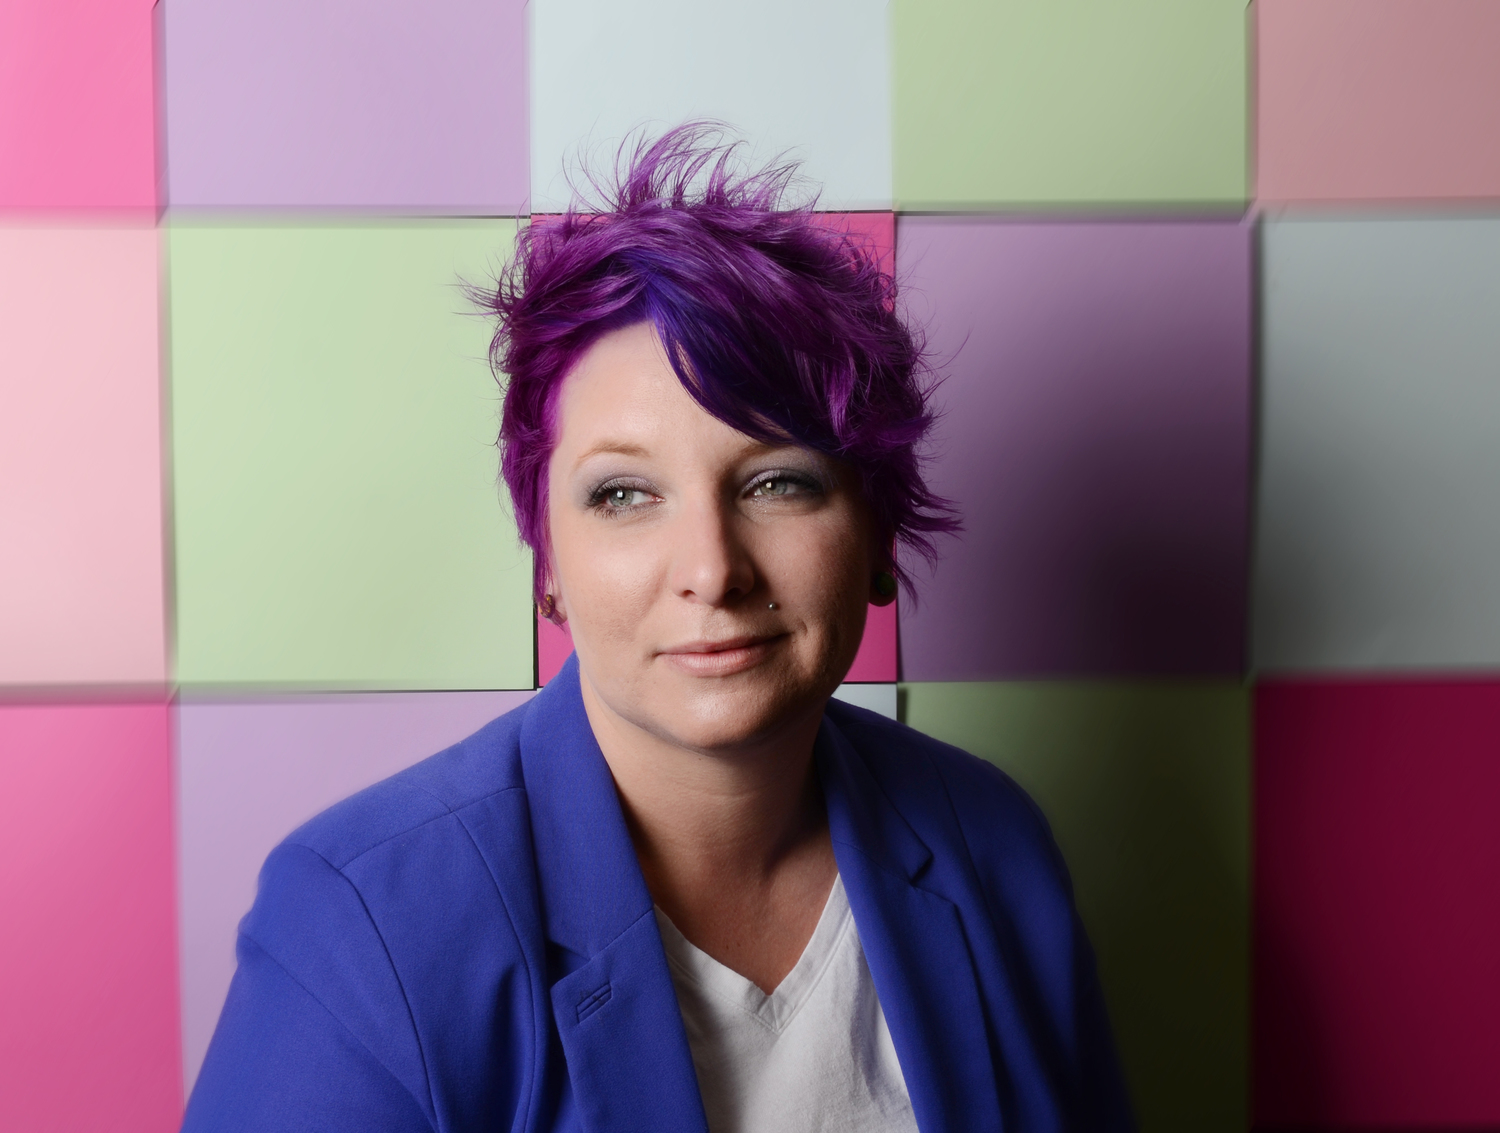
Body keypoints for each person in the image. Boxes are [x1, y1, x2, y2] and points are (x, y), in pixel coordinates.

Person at [182, 126, 1134, 1133]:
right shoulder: (359, 924)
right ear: (549, 566)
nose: (712, 569)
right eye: (625, 493)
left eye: (778, 481)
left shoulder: (992, 845)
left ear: (878, 535)